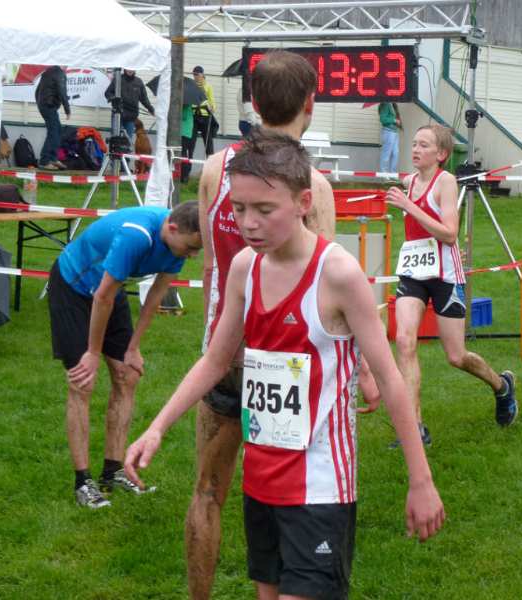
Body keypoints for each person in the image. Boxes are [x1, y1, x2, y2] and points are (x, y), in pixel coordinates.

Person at [125, 130, 444, 600]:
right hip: (261, 481)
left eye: (264, 209)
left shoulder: (338, 274)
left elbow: (391, 379)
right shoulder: (245, 269)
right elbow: (215, 360)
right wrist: (156, 427)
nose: (248, 223)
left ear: (302, 203)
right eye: (239, 209)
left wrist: (421, 480)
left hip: (320, 486)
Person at [186, 50, 354, 600]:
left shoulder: (216, 170)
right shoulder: (313, 186)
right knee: (293, 497)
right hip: (289, 364)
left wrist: (215, 345)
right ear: (311, 103)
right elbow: (326, 286)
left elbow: (211, 268)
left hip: (227, 354)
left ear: (253, 103)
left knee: (208, 491)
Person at [47, 202, 203, 509]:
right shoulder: (137, 235)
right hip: (73, 287)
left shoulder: (177, 245)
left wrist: (133, 347)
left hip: (109, 290)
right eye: (191, 248)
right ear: (172, 228)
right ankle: (83, 482)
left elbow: (155, 296)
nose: (193, 255)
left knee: (128, 375)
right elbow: (101, 296)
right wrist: (93, 353)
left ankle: (113, 471)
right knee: (82, 381)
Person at [385, 124, 518, 448]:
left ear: (441, 154)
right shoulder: (409, 182)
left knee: (456, 356)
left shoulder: (445, 182)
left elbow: (449, 233)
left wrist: (409, 207)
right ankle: (415, 429)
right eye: (414, 143)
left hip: (445, 276)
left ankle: (502, 386)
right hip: (414, 274)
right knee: (404, 341)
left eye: (424, 145)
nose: (415, 149)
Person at [35, 65, 71, 171]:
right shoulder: (60, 74)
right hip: (49, 105)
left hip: (44, 105)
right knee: (54, 132)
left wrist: (40, 103)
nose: (67, 67)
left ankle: (53, 158)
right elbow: (62, 92)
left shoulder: (48, 72)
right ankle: (44, 160)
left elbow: (37, 91)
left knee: (57, 130)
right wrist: (67, 110)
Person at [105, 69, 155, 142]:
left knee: (128, 141)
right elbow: (107, 93)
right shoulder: (118, 79)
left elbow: (144, 99)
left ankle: (127, 148)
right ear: (125, 69)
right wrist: (113, 98)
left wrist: (151, 109)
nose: (130, 70)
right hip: (118, 114)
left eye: (132, 68)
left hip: (131, 117)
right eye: (128, 68)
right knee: (115, 139)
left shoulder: (139, 82)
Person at [191, 66, 219, 156]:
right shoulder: (191, 85)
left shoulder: (208, 86)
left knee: (208, 140)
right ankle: (189, 158)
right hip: (194, 115)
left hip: (205, 115)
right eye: (194, 75)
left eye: (197, 74)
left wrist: (213, 107)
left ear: (202, 74)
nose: (195, 76)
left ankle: (210, 158)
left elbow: (212, 100)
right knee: (191, 140)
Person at [379, 102, 402, 175]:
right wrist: (394, 120)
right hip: (388, 132)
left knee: (395, 153)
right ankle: (383, 175)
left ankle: (393, 174)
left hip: (395, 132)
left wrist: (397, 122)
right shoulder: (385, 104)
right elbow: (383, 119)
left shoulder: (393, 104)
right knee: (386, 154)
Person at [180, 103, 195, 184]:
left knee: (183, 154)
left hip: (184, 132)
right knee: (185, 154)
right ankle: (184, 176)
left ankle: (184, 176)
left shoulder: (186, 105)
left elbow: (183, 116)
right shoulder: (188, 105)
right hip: (188, 132)